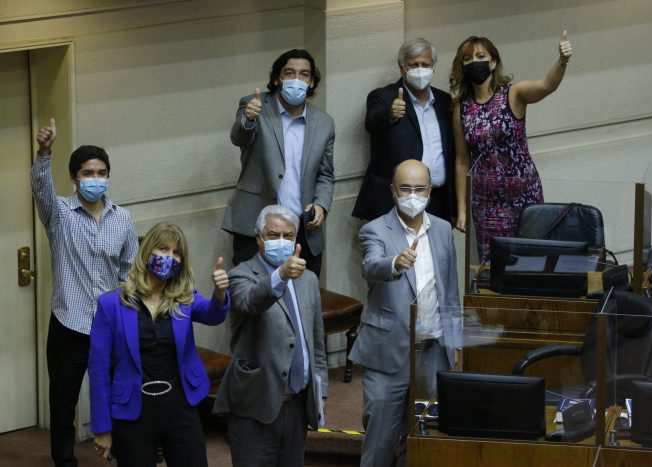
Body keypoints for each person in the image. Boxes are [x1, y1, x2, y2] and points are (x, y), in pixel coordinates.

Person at [31, 118, 139, 467]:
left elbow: (129, 268)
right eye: (88, 173)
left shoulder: (121, 218)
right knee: (63, 405)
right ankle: (65, 461)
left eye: (102, 172)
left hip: (111, 324)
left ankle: (122, 454)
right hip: (69, 324)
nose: (96, 179)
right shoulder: (59, 213)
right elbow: (41, 190)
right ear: (75, 178)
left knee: (118, 397)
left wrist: (128, 304)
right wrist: (44, 152)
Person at [89, 222, 230, 467]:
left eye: (176, 253)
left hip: (179, 406)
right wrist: (102, 427)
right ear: (146, 254)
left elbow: (212, 314)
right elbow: (98, 369)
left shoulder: (184, 299)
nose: (169, 257)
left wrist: (220, 294)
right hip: (133, 409)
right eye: (163, 249)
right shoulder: (111, 304)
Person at [349, 160, 461, 467]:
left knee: (426, 440)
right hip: (389, 352)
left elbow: (450, 289)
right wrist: (395, 263)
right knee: (380, 444)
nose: (413, 195)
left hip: (433, 352)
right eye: (406, 189)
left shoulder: (441, 229)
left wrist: (454, 344)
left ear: (430, 190)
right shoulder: (374, 230)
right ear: (393, 191)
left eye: (420, 189)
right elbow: (370, 267)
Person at [214, 204, 329, 467]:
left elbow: (316, 341)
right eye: (273, 235)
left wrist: (321, 390)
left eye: (288, 236)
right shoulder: (240, 275)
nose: (281, 242)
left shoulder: (308, 279)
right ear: (258, 238)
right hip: (255, 405)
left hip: (298, 403)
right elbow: (251, 302)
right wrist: (280, 276)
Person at [451, 32, 573, 261]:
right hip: (486, 201)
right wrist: (461, 208)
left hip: (525, 194)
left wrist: (562, 61)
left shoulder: (513, 94)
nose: (474, 62)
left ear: (493, 61)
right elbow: (461, 160)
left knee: (532, 260)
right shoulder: (461, 108)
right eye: (467, 59)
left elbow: (548, 85)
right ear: (461, 66)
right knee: (495, 265)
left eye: (480, 56)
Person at [221, 49, 335, 277]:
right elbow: (238, 138)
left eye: (304, 74)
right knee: (251, 299)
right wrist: (249, 118)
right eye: (289, 73)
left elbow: (325, 175)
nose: (296, 79)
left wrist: (321, 204)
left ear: (311, 82)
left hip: (302, 229)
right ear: (277, 79)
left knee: (301, 301)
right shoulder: (255, 105)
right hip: (257, 226)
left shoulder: (324, 123)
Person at [353, 37, 454, 222]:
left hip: (438, 200)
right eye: (413, 65)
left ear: (433, 67)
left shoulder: (444, 100)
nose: (420, 69)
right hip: (395, 202)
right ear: (402, 68)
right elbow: (371, 122)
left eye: (425, 64)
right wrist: (389, 114)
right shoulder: (384, 97)